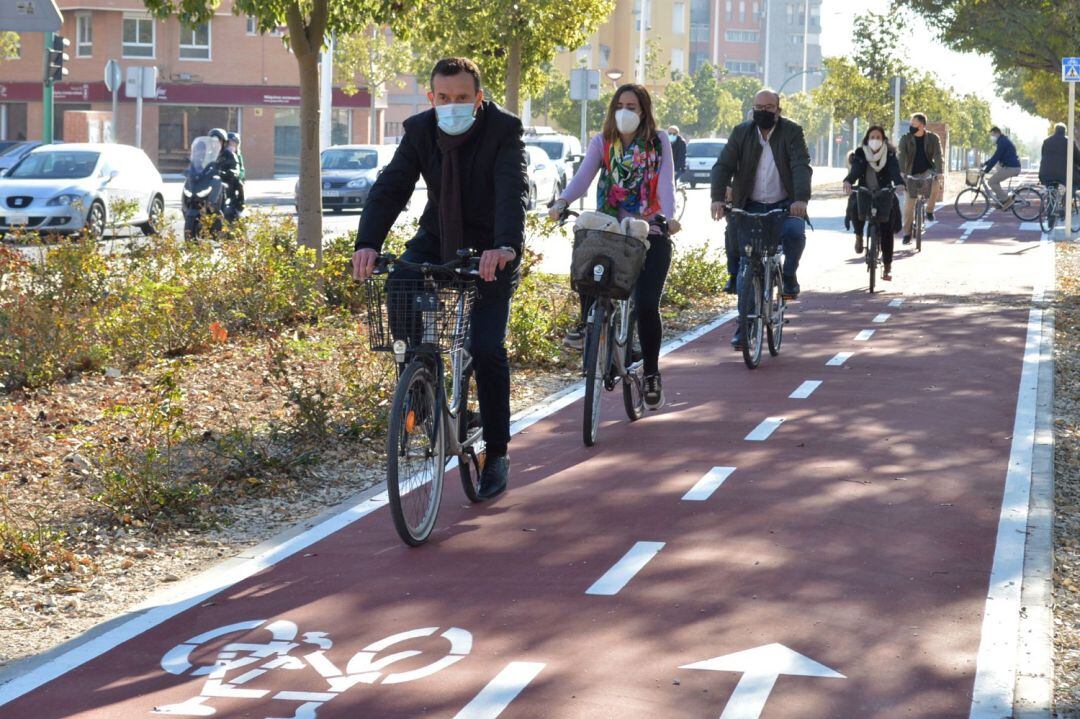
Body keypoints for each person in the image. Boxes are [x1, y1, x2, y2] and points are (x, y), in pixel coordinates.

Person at [352, 57, 528, 501]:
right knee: (399, 282)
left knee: (486, 347)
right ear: (432, 99)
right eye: (443, 98)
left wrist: (506, 245)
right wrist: (367, 242)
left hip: (491, 248)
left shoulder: (503, 131)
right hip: (439, 236)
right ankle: (422, 381)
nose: (452, 106)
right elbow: (391, 187)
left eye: (462, 98)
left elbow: (513, 191)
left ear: (478, 98)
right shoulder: (419, 132)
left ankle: (498, 450)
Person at [549, 83, 679, 410]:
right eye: (620, 104)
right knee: (586, 259)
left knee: (646, 304)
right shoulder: (601, 143)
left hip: (649, 232)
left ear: (644, 111)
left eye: (632, 106)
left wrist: (667, 217)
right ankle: (586, 325)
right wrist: (562, 201)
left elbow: (666, 184)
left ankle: (650, 374)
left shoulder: (659, 142)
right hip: (611, 231)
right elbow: (582, 178)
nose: (625, 111)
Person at [710, 88, 811, 350]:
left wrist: (800, 200)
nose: (762, 111)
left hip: (785, 203)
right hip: (750, 203)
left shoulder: (792, 132)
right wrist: (718, 198)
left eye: (768, 107)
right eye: (758, 107)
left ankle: (788, 276)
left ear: (778, 109)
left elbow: (801, 165)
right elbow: (723, 166)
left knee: (795, 233)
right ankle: (743, 321)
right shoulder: (741, 132)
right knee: (740, 248)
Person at [843, 125, 904, 281]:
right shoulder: (860, 153)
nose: (875, 140)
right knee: (855, 206)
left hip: (884, 192)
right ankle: (858, 236)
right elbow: (856, 170)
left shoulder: (890, 154)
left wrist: (899, 183)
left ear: (883, 139)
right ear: (867, 139)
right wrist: (849, 181)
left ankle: (887, 266)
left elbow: (894, 171)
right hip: (865, 190)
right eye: (872, 137)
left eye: (878, 137)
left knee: (887, 228)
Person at [897, 113, 942, 245]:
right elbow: (902, 155)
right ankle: (907, 233)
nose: (910, 126)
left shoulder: (933, 138)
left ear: (921, 125)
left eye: (913, 124)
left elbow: (938, 155)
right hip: (910, 173)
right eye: (910, 123)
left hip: (927, 171)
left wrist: (939, 172)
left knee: (935, 184)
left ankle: (929, 211)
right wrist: (901, 172)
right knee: (908, 205)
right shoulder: (905, 139)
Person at [982, 126, 1022, 208]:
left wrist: (985, 171)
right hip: (1012, 167)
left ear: (997, 133)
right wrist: (985, 163)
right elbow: (996, 157)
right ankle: (1001, 201)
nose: (992, 138)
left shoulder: (1002, 142)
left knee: (991, 182)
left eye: (992, 135)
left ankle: (1007, 200)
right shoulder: (1003, 141)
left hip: (1012, 168)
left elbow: (996, 157)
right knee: (995, 180)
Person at [209, 127, 241, 220]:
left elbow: (236, 168)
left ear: (223, 142)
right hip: (209, 182)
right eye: (212, 141)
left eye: (217, 141)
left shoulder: (230, 155)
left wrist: (230, 172)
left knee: (221, 186)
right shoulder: (208, 154)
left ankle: (221, 211)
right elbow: (201, 165)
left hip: (225, 182)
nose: (215, 144)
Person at [1039, 123, 1080, 188]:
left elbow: (1043, 155)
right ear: (1065, 131)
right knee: (1076, 184)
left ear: (1055, 130)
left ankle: (1051, 198)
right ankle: (1068, 197)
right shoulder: (1069, 142)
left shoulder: (1046, 141)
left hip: (1046, 173)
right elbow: (1077, 157)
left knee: (1051, 191)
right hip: (1063, 174)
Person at [227, 131, 246, 216]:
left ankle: (240, 206)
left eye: (233, 143)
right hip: (223, 177)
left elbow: (241, 169)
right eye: (229, 143)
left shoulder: (238, 156)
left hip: (233, 178)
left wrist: (238, 175)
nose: (231, 146)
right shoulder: (222, 154)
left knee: (239, 184)